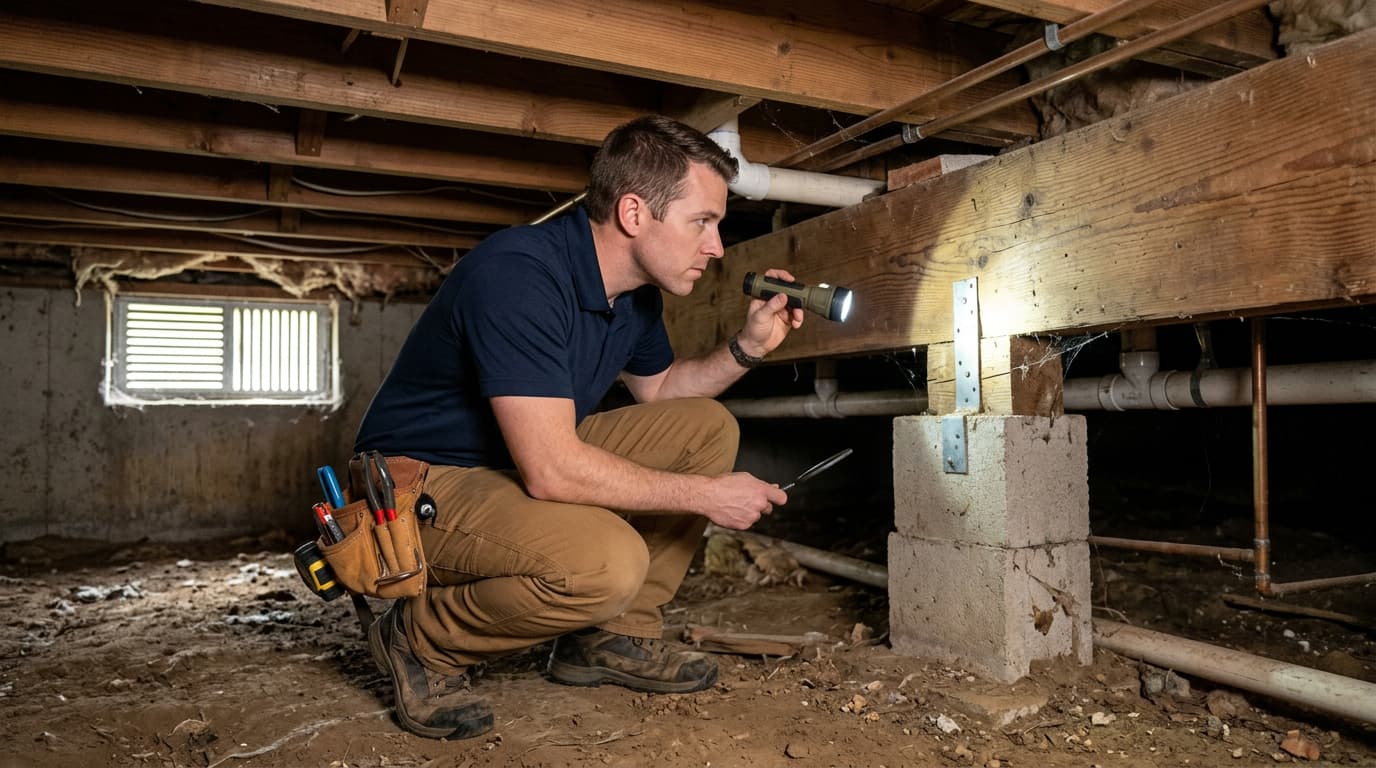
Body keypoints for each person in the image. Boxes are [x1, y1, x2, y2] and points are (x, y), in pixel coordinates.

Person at [353, 115, 804, 740]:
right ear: (634, 213)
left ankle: (612, 640)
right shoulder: (518, 274)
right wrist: (707, 496)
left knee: (704, 428)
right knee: (605, 564)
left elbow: (665, 392)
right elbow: (552, 468)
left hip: (513, 459)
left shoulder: (635, 294)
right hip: (416, 483)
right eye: (703, 222)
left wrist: (749, 346)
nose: (718, 247)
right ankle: (419, 639)